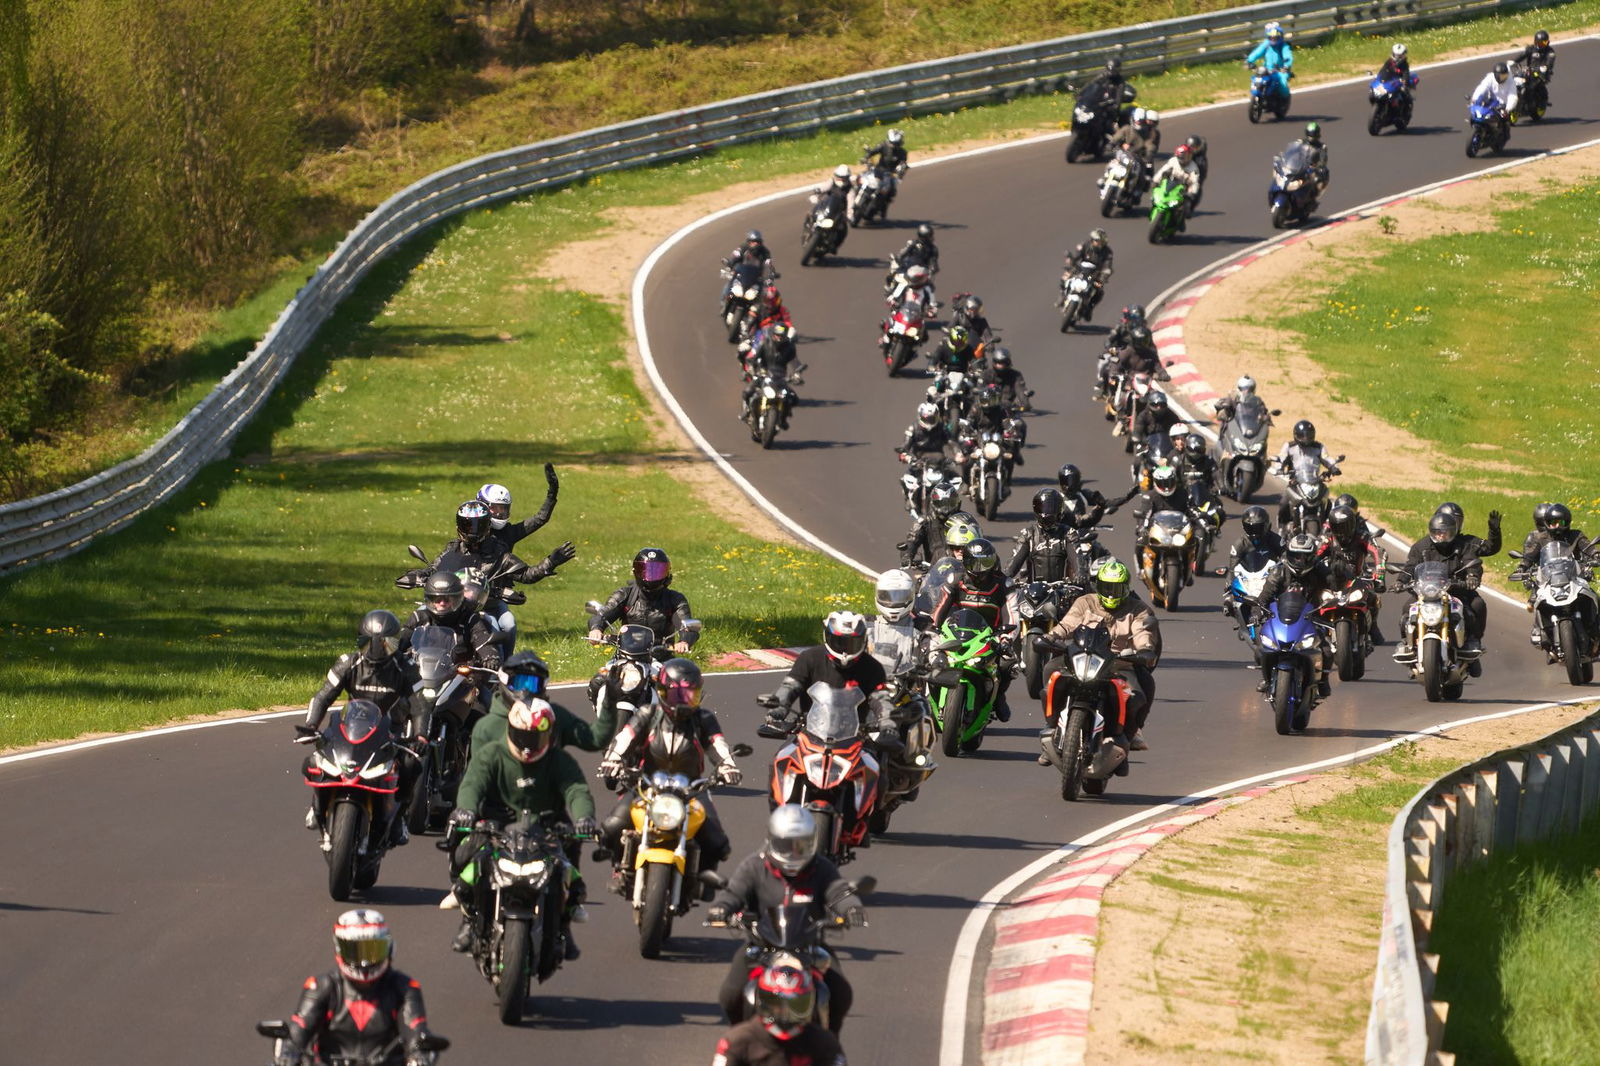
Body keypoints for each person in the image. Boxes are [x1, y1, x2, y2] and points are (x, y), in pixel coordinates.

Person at [446, 698, 597, 958]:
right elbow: (472, 783)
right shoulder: (492, 754)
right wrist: (467, 810)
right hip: (497, 824)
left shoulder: (559, 760)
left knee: (573, 877)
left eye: (535, 737)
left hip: (546, 826)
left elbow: (577, 790)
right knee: (465, 862)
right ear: (510, 730)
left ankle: (563, 927)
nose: (528, 746)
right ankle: (469, 922)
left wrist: (585, 818)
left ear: (548, 735)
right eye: (522, 736)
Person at [709, 806, 866, 1035]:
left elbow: (839, 891)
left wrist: (852, 908)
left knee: (841, 994)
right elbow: (734, 892)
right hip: (760, 947)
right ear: (772, 840)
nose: (794, 852)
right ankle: (740, 1040)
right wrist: (721, 908)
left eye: (801, 845)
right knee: (729, 995)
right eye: (787, 845)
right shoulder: (754, 866)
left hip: (810, 948)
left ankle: (830, 1046)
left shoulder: (822, 867)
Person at [597, 659, 740, 889]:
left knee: (718, 842)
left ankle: (702, 874)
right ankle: (619, 867)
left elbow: (717, 744)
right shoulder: (648, 713)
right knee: (611, 827)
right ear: (662, 692)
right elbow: (626, 736)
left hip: (692, 789)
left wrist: (728, 766)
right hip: (647, 784)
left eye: (689, 694)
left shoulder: (703, 719)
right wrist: (613, 760)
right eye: (676, 694)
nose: (682, 701)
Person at [300, 610, 424, 845]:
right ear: (359, 641)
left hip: (390, 731)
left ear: (396, 644)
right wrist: (311, 725)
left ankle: (398, 817)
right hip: (352, 726)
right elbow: (323, 697)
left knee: (412, 764)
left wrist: (421, 735)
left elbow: (420, 705)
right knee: (317, 757)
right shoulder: (348, 662)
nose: (376, 650)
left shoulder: (405, 666)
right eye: (369, 643)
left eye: (385, 644)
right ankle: (317, 803)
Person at [276, 910, 441, 1066]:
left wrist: (419, 1055)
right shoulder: (321, 987)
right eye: (355, 951)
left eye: (372, 950)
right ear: (339, 949)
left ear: (388, 947)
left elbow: (415, 1031)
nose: (364, 961)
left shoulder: (404, 988)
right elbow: (298, 1030)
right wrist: (288, 1053)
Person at [1041, 558, 1160, 759]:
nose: (1111, 593)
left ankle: (1128, 738)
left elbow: (1143, 633)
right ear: (1099, 586)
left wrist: (1144, 649)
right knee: (1049, 670)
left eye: (1117, 588)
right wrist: (1050, 637)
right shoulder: (1085, 602)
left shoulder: (1138, 608)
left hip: (1120, 664)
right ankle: (1053, 727)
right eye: (1107, 587)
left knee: (1141, 692)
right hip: (1080, 658)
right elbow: (1067, 624)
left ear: (1126, 588)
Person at [926, 539, 1015, 721]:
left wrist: (1006, 637)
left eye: (985, 563)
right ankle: (926, 699)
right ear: (965, 561)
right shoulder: (956, 579)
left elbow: (1012, 614)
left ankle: (998, 696)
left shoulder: (1003, 584)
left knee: (1008, 663)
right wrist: (933, 629)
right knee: (929, 659)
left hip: (989, 636)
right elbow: (940, 607)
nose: (980, 568)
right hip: (956, 632)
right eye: (975, 562)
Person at [1395, 511, 1487, 674]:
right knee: (1405, 610)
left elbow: (1472, 563)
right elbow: (1410, 567)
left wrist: (1472, 577)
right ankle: (1408, 646)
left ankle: (1473, 645)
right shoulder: (1421, 546)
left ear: (1453, 531)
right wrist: (1401, 581)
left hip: (1455, 590)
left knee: (1477, 606)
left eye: (1445, 533)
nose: (1441, 537)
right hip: (1426, 593)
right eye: (1437, 533)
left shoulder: (1462, 545)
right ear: (1431, 532)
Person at [711, 964, 848, 1066]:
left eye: (794, 1005)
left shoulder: (824, 1043)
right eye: (776, 1005)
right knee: (730, 993)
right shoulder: (737, 1041)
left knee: (841, 992)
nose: (784, 1013)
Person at [1253, 533, 1335, 696]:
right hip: (1281, 618)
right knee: (1261, 646)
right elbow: (1265, 596)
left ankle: (1324, 680)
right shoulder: (1279, 571)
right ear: (1289, 555)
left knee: (1327, 650)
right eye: (1296, 556)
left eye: (1304, 557)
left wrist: (1337, 579)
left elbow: (1333, 587)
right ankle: (1267, 678)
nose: (1300, 561)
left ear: (1312, 557)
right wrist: (1257, 612)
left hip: (1312, 618)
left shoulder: (1320, 570)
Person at [588, 548, 698, 653]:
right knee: (606, 671)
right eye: (647, 571)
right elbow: (602, 615)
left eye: (657, 571)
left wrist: (684, 641)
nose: (651, 576)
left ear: (666, 573)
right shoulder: (625, 594)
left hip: (662, 657)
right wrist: (596, 629)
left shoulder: (675, 599)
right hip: (626, 655)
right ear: (636, 571)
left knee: (678, 672)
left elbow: (687, 626)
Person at [1513, 502, 1594, 645]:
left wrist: (1595, 555)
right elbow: (1530, 556)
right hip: (1550, 579)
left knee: (1592, 597)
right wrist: (1522, 568)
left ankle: (1595, 630)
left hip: (1574, 577)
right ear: (1546, 523)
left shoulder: (1576, 535)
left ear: (1567, 522)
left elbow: (1587, 547)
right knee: (1540, 599)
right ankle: (1541, 631)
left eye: (1560, 522)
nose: (1556, 526)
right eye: (1552, 522)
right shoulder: (1540, 538)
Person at [397, 569, 502, 678]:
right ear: (430, 600)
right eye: (437, 599)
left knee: (485, 693)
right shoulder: (419, 617)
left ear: (457, 599)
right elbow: (399, 642)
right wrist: (388, 653)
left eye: (447, 599)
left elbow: (482, 638)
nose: (442, 603)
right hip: (420, 675)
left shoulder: (470, 619)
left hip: (459, 678)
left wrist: (490, 656)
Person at [1320, 504, 1386, 641]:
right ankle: (1315, 630)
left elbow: (1377, 552)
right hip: (1331, 579)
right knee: (1313, 597)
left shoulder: (1362, 537)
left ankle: (1372, 626)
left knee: (1372, 597)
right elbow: (1314, 554)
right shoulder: (1328, 539)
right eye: (1337, 527)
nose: (1341, 531)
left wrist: (1379, 571)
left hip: (1357, 579)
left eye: (1344, 526)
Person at [1007, 488, 1090, 586]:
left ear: (1059, 510)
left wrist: (1081, 573)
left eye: (1050, 508)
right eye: (1043, 508)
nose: (1046, 513)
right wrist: (1005, 578)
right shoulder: (1028, 535)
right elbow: (1012, 565)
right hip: (1032, 593)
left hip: (1062, 593)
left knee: (1086, 598)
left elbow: (1077, 558)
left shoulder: (1068, 533)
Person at [1274, 419, 1340, 529]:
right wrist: (1279, 468)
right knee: (1284, 503)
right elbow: (1281, 458)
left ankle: (1328, 528)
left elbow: (1326, 458)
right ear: (1296, 435)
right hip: (1296, 483)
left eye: (1309, 436)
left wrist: (1333, 467)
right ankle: (1282, 528)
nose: (1306, 439)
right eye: (1303, 436)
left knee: (1328, 503)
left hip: (1315, 482)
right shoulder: (1290, 447)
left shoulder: (1318, 447)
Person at [898, 482, 961, 570]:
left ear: (957, 502)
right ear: (933, 503)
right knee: (919, 583)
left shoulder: (965, 519)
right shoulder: (924, 521)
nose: (946, 509)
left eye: (950, 503)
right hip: (933, 571)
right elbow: (912, 540)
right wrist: (907, 555)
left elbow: (977, 537)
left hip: (962, 567)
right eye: (941, 504)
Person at [868, 568, 920, 676]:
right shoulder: (866, 623)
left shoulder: (921, 626)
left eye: (900, 596)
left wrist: (937, 658)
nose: (893, 602)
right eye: (887, 596)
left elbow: (934, 644)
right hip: (872, 682)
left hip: (908, 685)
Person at [1065, 229, 1114, 322]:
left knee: (1100, 290)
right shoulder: (1085, 245)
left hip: (1094, 275)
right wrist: (1071, 261)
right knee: (1065, 276)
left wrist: (1105, 275)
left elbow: (1108, 265)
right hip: (1080, 271)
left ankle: (1089, 308)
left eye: (1102, 242)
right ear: (1092, 240)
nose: (1100, 244)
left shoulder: (1108, 252)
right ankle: (1062, 296)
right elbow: (1076, 256)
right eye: (1098, 241)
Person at [1109, 107, 1161, 192]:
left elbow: (1151, 146)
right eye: (1150, 121)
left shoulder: (1153, 134)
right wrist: (1112, 144)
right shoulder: (1127, 128)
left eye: (1153, 122)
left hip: (1140, 157)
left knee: (1148, 170)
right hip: (1125, 154)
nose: (1151, 123)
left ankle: (1141, 187)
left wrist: (1149, 155)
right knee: (1113, 163)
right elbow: (1117, 137)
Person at [899, 401, 957, 474]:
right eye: (927, 419)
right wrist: (904, 454)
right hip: (918, 460)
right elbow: (906, 444)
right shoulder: (913, 428)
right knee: (908, 479)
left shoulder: (941, 427)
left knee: (956, 480)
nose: (929, 422)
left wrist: (958, 453)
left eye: (931, 419)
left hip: (939, 461)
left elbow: (951, 441)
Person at [1151, 144, 1202, 226]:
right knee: (1157, 194)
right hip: (1171, 183)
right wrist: (1155, 181)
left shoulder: (1193, 167)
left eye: (1188, 156)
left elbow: (1195, 181)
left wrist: (1192, 193)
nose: (1186, 158)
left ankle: (1181, 221)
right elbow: (1162, 170)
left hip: (1184, 188)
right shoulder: (1173, 161)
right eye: (1184, 156)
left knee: (1186, 207)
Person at [1227, 504, 1286, 571]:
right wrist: (1231, 579)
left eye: (1258, 528)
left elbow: (1286, 557)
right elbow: (1232, 569)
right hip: (1248, 579)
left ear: (1267, 526)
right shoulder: (1240, 544)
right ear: (1244, 527)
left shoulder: (1275, 539)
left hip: (1272, 578)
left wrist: (1280, 567)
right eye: (1250, 529)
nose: (1254, 534)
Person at [1246, 21, 1295, 100]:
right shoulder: (1266, 44)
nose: (1273, 39)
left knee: (1282, 82)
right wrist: (1249, 60)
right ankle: (1257, 93)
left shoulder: (1284, 46)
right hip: (1267, 70)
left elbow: (1288, 56)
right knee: (1256, 78)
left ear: (1280, 37)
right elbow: (1257, 52)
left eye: (1275, 37)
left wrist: (1286, 65)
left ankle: (1284, 99)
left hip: (1281, 70)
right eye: (1271, 37)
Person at [885, 223, 940, 293]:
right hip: (916, 268)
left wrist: (933, 269)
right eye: (929, 236)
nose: (931, 237)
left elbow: (934, 261)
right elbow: (903, 253)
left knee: (895, 272)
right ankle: (892, 287)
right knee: (894, 273)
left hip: (916, 269)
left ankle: (891, 287)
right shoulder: (930, 247)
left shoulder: (929, 247)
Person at [1058, 464, 1111, 533]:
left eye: (1072, 481)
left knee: (1094, 543)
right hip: (1062, 536)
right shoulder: (1056, 498)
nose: (1068, 485)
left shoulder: (1083, 494)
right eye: (1065, 481)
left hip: (1082, 534)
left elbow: (1103, 503)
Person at [978, 346, 1032, 411]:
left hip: (1007, 409)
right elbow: (979, 391)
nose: (999, 365)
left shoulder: (1015, 375)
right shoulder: (986, 374)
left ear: (1008, 362)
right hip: (988, 408)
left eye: (1002, 363)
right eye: (997, 362)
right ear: (994, 362)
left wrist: (1025, 403)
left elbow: (1020, 390)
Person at [862, 128, 908, 203]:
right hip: (878, 169)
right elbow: (873, 151)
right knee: (862, 178)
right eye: (891, 143)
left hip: (888, 174)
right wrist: (866, 157)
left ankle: (881, 202)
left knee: (889, 189)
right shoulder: (883, 145)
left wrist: (901, 169)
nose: (892, 145)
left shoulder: (902, 153)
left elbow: (903, 164)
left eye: (895, 144)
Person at [1296, 121, 1330, 192]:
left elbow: (1323, 160)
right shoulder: (1300, 142)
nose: (1311, 136)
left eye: (1313, 134)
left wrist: (1319, 167)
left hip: (1312, 169)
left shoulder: (1322, 147)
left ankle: (1315, 192)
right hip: (1298, 166)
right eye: (1310, 134)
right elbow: (1291, 151)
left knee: (1323, 174)